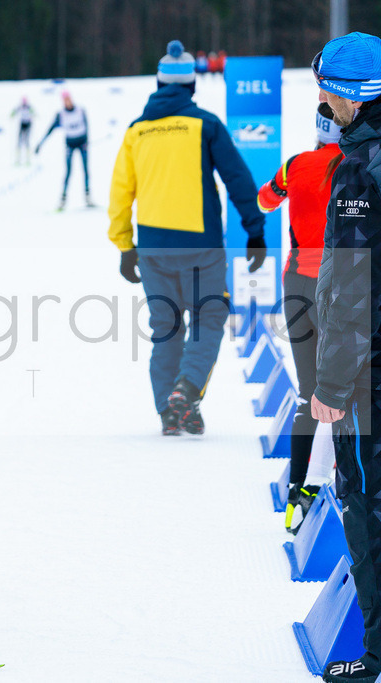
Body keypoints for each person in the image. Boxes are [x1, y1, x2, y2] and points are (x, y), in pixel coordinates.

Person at [108, 40, 266, 436]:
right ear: (191, 85)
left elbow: (120, 192)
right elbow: (238, 178)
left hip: (154, 247)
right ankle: (187, 389)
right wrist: (255, 231)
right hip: (201, 244)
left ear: (159, 84)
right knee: (210, 317)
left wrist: (125, 245)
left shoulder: (136, 131)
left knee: (166, 328)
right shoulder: (205, 125)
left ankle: (171, 408)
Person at [307, 32, 381, 683]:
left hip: (369, 374)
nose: (321, 98)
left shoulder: (361, 168)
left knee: (366, 505)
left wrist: (330, 381)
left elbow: (349, 288)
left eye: (325, 85)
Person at [257, 102, 344, 533]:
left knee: (307, 392)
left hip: (295, 284)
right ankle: (323, 485)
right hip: (337, 287)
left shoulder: (295, 165)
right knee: (339, 392)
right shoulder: (352, 165)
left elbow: (265, 199)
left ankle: (296, 494)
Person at [36, 90, 94, 210]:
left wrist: (87, 141)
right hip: (70, 145)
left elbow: (86, 126)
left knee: (86, 170)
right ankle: (63, 199)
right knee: (68, 172)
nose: (67, 101)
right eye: (64, 100)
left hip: (82, 143)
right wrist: (40, 144)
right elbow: (50, 130)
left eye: (68, 99)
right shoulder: (61, 114)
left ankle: (88, 197)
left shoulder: (80, 110)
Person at [11, 97, 34, 165]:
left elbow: (33, 112)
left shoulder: (29, 107)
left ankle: (28, 159)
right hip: (22, 124)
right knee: (19, 141)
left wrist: (34, 114)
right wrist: (12, 114)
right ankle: (18, 159)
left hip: (28, 124)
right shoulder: (20, 107)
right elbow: (14, 111)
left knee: (26, 141)